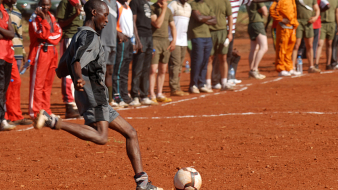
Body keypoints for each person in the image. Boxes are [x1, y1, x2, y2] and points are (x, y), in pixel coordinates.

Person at [40, 1, 162, 189]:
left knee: (131, 132)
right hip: (93, 94)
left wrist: (77, 73)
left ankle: (143, 183)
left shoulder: (78, 35)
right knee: (102, 137)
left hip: (95, 95)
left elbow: (62, 69)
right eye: (105, 15)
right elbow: (77, 61)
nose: (107, 20)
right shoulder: (91, 37)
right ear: (94, 13)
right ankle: (54, 121)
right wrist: (79, 76)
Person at [28, 0, 62, 118]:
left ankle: (45, 109)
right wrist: (43, 20)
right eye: (43, 4)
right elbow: (41, 34)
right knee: (38, 83)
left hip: (52, 52)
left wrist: (48, 37)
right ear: (39, 4)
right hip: (41, 51)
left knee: (48, 83)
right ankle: (35, 111)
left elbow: (59, 34)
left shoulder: (52, 16)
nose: (45, 7)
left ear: (50, 5)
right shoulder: (34, 18)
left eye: (47, 4)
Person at [3, 0, 32, 125]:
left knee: (15, 82)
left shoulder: (17, 12)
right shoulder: (1, 11)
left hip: (17, 52)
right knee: (4, 84)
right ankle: (4, 116)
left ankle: (15, 115)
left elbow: (19, 35)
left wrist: (23, 53)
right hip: (4, 51)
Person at [56, 0, 83, 118]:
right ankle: (69, 105)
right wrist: (75, 15)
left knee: (78, 71)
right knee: (68, 72)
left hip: (80, 37)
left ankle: (77, 103)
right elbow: (60, 23)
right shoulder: (65, 2)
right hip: (69, 37)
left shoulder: (81, 1)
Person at [129, 0, 158, 106]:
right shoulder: (135, 2)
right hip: (140, 36)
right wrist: (137, 40)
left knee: (146, 69)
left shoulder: (147, 3)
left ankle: (144, 95)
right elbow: (133, 21)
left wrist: (152, 45)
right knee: (137, 68)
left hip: (149, 36)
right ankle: (135, 96)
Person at [150, 0, 176, 103]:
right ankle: (151, 94)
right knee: (153, 69)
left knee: (163, 69)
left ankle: (159, 93)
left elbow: (173, 26)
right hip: (154, 40)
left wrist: (174, 40)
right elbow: (157, 24)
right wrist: (164, 9)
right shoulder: (152, 8)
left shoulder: (169, 10)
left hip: (166, 41)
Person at [205, 0, 233, 91]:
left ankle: (224, 82)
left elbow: (230, 16)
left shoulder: (225, 1)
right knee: (209, 58)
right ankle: (208, 83)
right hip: (209, 32)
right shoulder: (205, 1)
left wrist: (230, 33)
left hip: (223, 32)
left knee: (223, 58)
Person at [188, 0, 216, 94]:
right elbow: (198, 18)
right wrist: (209, 17)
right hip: (197, 35)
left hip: (207, 36)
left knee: (205, 61)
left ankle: (201, 84)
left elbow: (215, 21)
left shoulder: (207, 5)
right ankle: (193, 85)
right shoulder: (192, 4)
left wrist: (204, 18)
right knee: (197, 61)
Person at [112, 0, 134, 107]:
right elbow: (111, 21)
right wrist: (117, 33)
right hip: (121, 39)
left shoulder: (127, 6)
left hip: (128, 39)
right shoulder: (116, 4)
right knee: (118, 69)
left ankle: (125, 95)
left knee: (125, 70)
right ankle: (116, 95)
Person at [167, 0, 191, 96]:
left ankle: (177, 87)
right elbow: (167, 20)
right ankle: (174, 88)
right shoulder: (172, 5)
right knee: (175, 64)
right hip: (173, 40)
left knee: (180, 65)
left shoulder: (188, 7)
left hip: (183, 40)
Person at [270, 0, 299, 76]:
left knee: (289, 49)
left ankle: (289, 67)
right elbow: (272, 10)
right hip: (283, 28)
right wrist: (281, 19)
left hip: (292, 27)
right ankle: (281, 68)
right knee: (282, 48)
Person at [292, 0, 321, 73]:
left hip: (309, 23)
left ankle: (311, 66)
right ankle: (292, 67)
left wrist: (315, 17)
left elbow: (317, 9)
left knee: (310, 45)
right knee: (296, 45)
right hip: (298, 22)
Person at [0, 0, 15, 130]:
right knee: (0, 88)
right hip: (0, 55)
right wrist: (6, 32)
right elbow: (8, 33)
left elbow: (12, 33)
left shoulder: (4, 12)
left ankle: (2, 119)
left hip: (8, 56)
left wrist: (1, 31)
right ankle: (1, 119)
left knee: (4, 89)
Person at [100, 0, 117, 107]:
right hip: (103, 42)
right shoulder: (101, 2)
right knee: (101, 72)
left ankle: (110, 99)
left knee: (110, 71)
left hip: (113, 42)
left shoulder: (115, 3)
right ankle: (102, 100)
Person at [246, 2, 268, 79]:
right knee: (264, 47)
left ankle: (251, 70)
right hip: (258, 24)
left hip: (251, 24)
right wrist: (261, 10)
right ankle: (254, 69)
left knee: (254, 49)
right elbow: (265, 12)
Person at [315, 0, 338, 70]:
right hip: (322, 24)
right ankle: (316, 63)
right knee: (320, 44)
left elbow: (336, 13)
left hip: (332, 24)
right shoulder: (321, 0)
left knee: (329, 44)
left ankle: (328, 64)